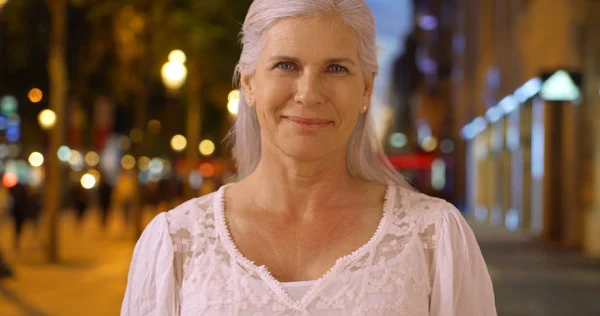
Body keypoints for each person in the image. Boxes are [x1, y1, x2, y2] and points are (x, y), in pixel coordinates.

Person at [121, 1, 497, 315]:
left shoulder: (434, 237)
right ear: (249, 83)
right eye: (286, 65)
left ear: (365, 88)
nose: (309, 93)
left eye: (336, 68)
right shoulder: (176, 243)